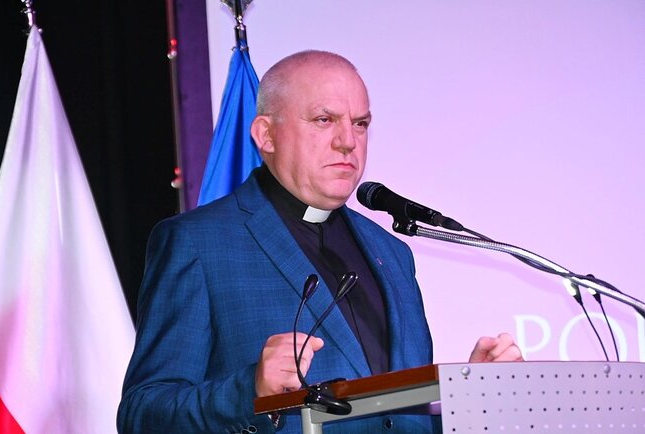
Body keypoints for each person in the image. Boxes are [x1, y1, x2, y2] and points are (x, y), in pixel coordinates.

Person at [117, 50, 522, 434]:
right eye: (324, 120)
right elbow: (143, 414)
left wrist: (468, 398)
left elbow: (399, 419)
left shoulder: (392, 252)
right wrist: (249, 388)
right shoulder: (198, 242)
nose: (348, 141)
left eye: (360, 124)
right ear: (266, 135)